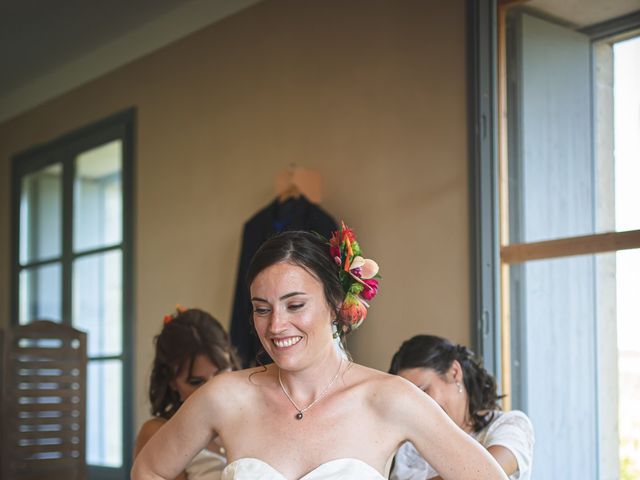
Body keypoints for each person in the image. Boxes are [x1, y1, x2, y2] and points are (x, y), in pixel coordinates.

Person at [132, 225, 508, 480]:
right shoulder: (225, 397)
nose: (276, 325)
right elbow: (148, 469)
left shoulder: (388, 399)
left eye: (295, 306)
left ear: (334, 303)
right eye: (262, 308)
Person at [388, 335, 534, 480]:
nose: (418, 408)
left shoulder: (509, 425)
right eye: (411, 400)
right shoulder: (409, 446)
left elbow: (486, 475)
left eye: (424, 391)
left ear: (454, 372)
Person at [133, 307, 241, 480]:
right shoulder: (157, 433)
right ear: (172, 382)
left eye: (220, 373)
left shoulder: (254, 415)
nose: (212, 391)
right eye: (197, 382)